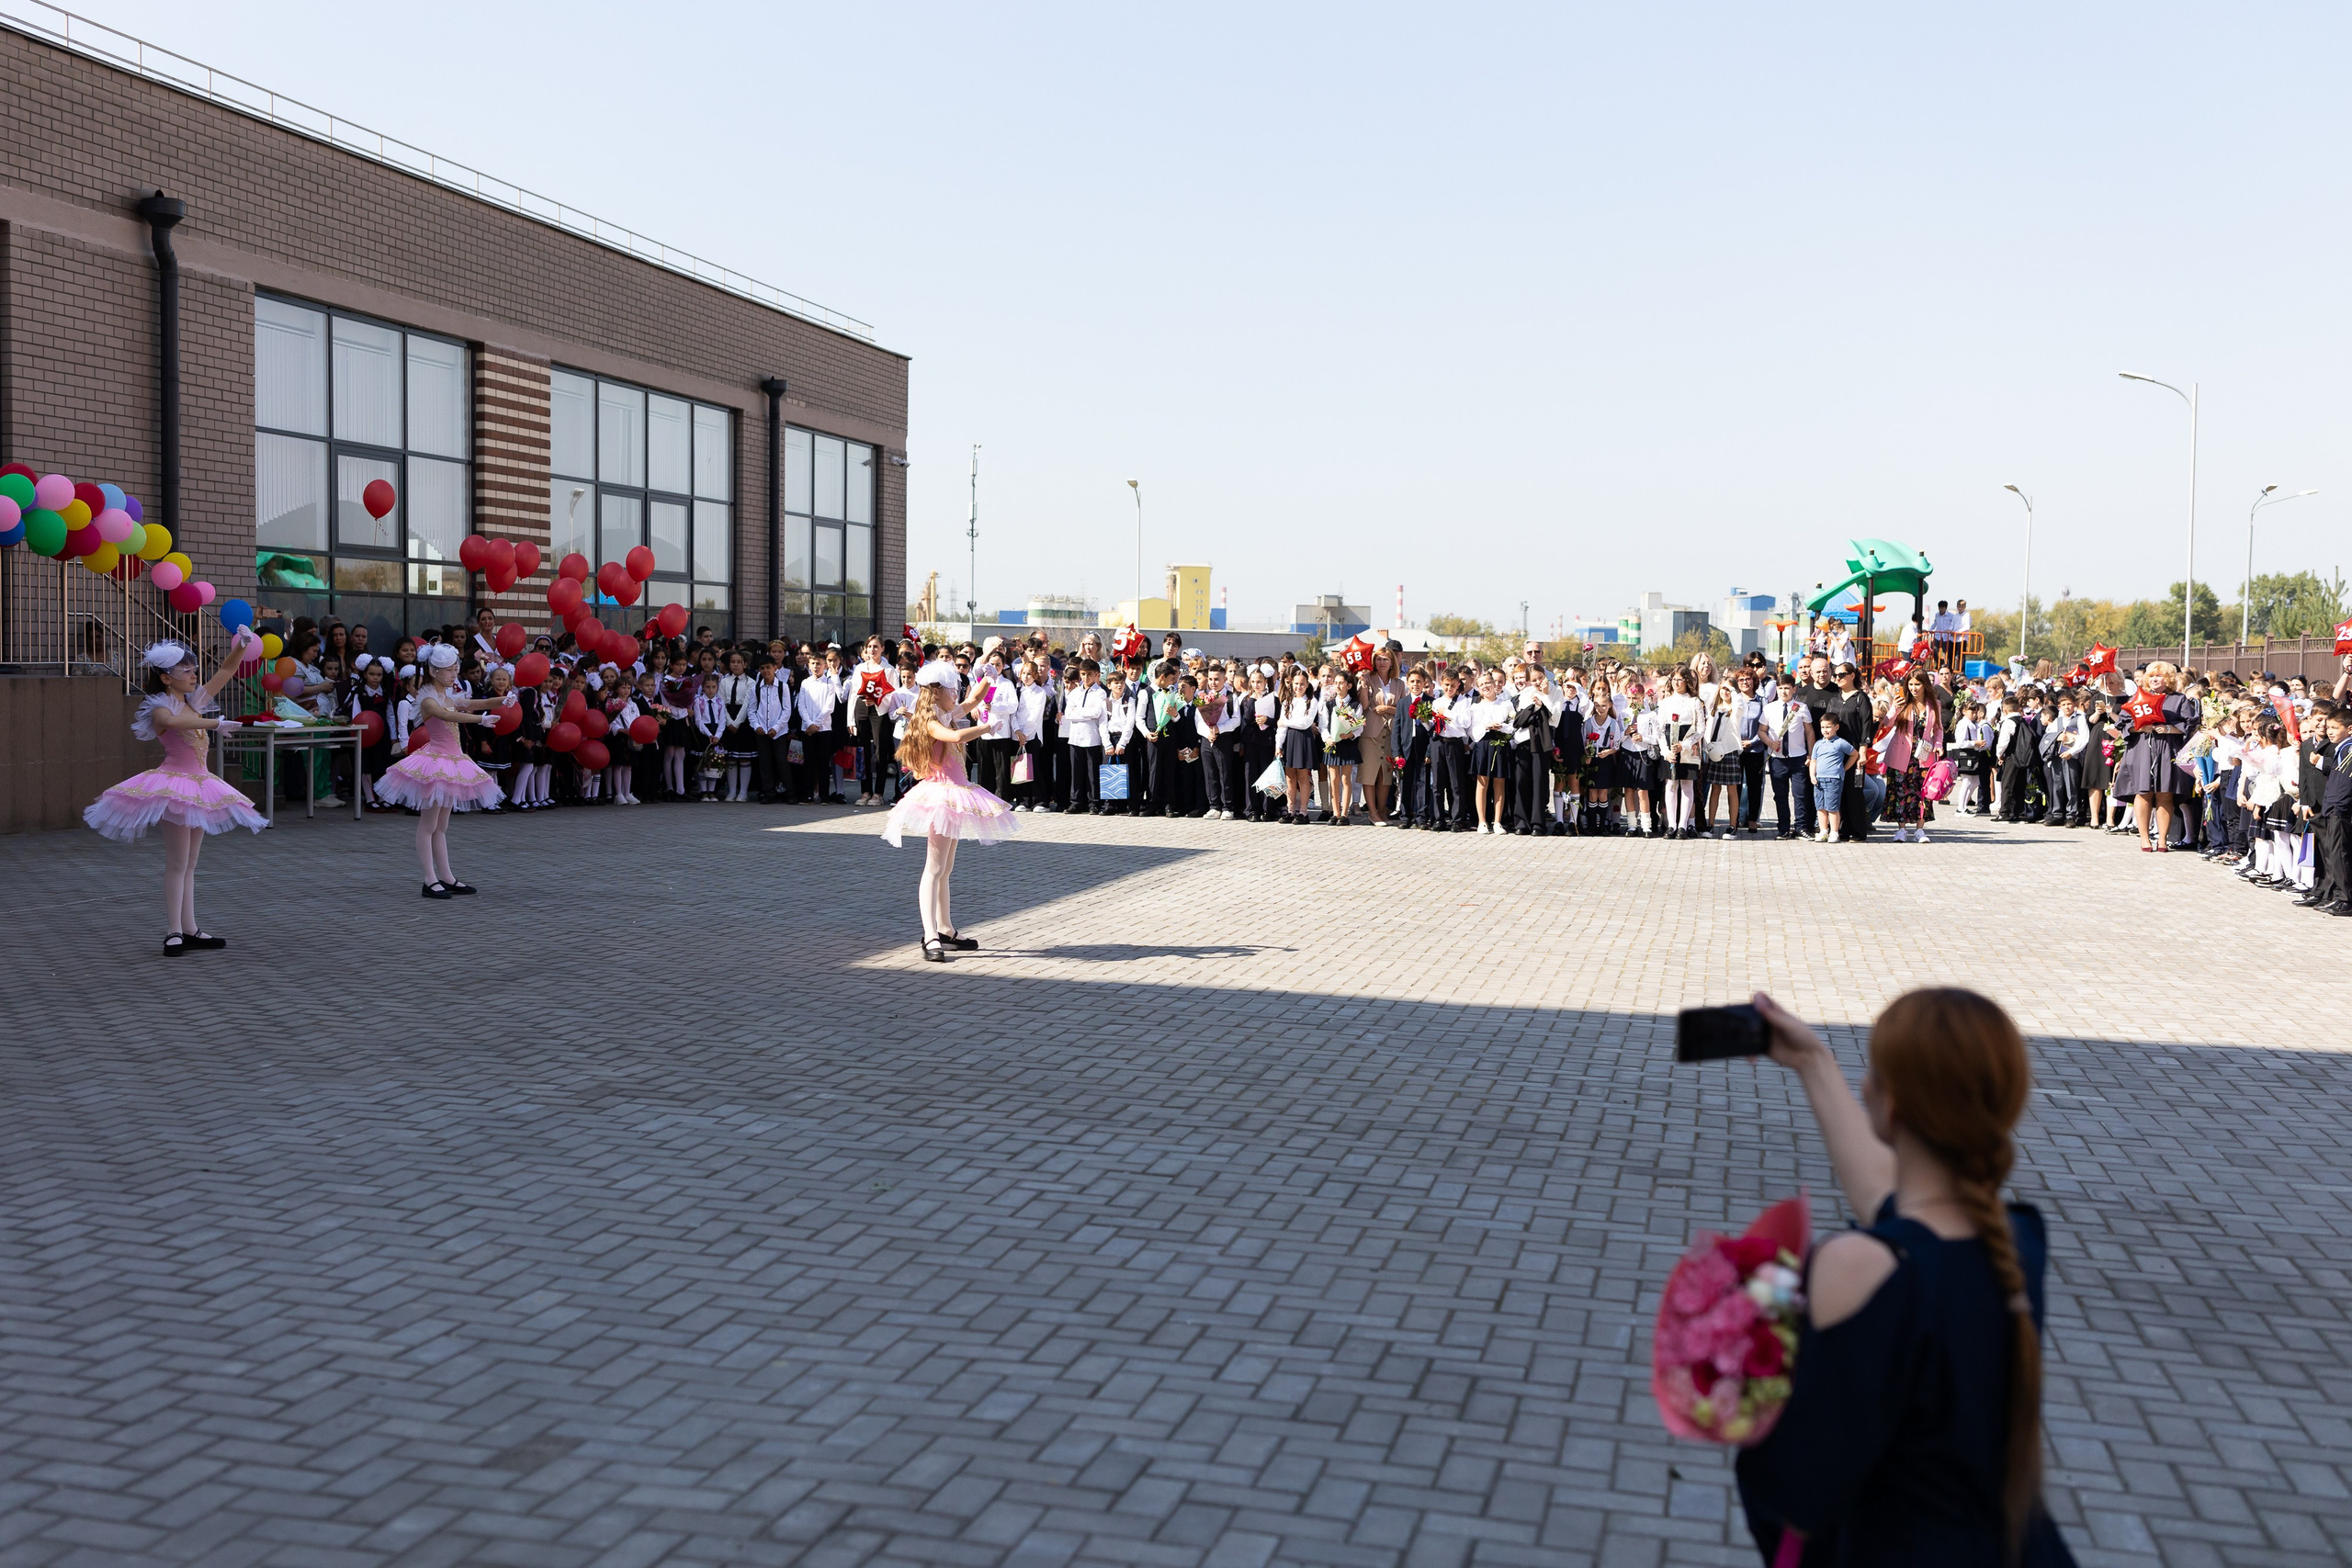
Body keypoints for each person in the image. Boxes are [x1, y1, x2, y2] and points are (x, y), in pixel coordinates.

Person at [1736, 989, 2074, 1567]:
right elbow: (1887, 1199)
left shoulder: (1858, 1266)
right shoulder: (2018, 1244)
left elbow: (1796, 1491)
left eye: (1871, 1070)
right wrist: (1814, 1061)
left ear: (1889, 1108)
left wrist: (1740, 1367)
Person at [84, 634, 267, 953]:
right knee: (177, 862)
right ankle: (173, 932)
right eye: (186, 670)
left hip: (200, 783)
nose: (194, 673)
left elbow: (224, 672)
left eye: (194, 668)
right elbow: (169, 722)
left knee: (191, 862)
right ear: (166, 677)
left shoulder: (192, 702)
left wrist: (242, 645)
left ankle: (190, 928)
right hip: (174, 785)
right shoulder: (159, 707)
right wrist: (214, 724)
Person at [883, 661, 1019, 962]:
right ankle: (930, 934)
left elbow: (974, 700)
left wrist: (990, 677)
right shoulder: (929, 720)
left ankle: (944, 928)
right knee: (933, 869)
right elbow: (956, 738)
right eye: (951, 688)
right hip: (941, 797)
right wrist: (986, 727)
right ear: (937, 691)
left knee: (945, 869)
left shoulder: (946, 713)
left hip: (956, 796)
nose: (957, 693)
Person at [375, 643, 513, 897]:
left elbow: (474, 702)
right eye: (449, 670)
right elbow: (448, 716)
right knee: (428, 825)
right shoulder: (428, 700)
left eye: (455, 669)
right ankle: (429, 879)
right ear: (434, 672)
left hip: (453, 761)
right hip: (436, 761)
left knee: (442, 826)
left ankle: (446, 876)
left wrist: (503, 700)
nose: (454, 674)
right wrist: (480, 719)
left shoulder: (448, 696)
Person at [2114, 661, 2198, 852]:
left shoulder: (2179, 699)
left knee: (2165, 793)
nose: (2154, 679)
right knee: (2143, 792)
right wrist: (2138, 728)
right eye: (2151, 676)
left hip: (2167, 748)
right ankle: (2144, 838)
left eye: (2158, 676)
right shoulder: (2138, 697)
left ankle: (2162, 839)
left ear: (2167, 678)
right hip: (2141, 748)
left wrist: (2170, 728)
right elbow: (2123, 723)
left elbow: (2191, 723)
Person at [1809, 712, 1854, 843]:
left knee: (1832, 807)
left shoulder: (1840, 743)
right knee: (1820, 807)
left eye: (1828, 727)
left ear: (1836, 727)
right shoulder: (1818, 744)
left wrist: (1844, 768)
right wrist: (1812, 774)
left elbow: (1854, 754)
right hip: (1819, 780)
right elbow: (1813, 761)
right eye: (1823, 727)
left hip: (1834, 779)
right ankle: (1823, 831)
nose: (1825, 730)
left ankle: (1834, 832)